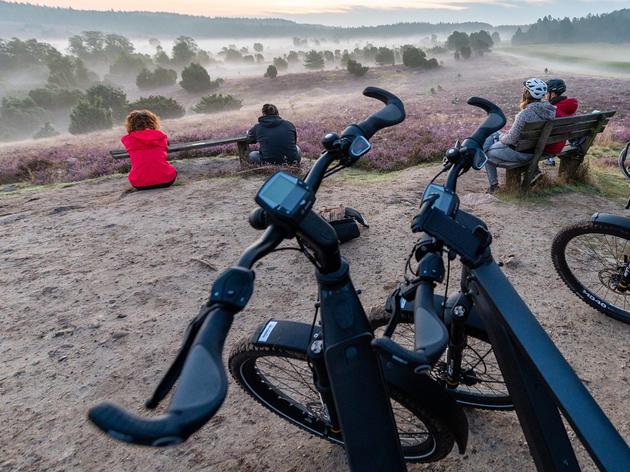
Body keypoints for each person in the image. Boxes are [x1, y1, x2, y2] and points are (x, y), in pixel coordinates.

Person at [483, 78, 556, 193]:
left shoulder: (525, 114)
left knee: (485, 153)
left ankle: (494, 186)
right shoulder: (550, 111)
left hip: (520, 153)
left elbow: (511, 139)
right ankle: (534, 173)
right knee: (494, 135)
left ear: (526, 94)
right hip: (534, 151)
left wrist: (501, 137)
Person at [121, 110, 177, 190]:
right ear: (153, 122)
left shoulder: (127, 140)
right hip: (166, 180)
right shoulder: (161, 136)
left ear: (131, 124)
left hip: (139, 183)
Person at [543, 79, 579, 166]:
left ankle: (535, 171)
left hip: (548, 147)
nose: (545, 95)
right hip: (560, 144)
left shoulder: (551, 110)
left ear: (553, 93)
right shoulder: (569, 106)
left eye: (547, 92)